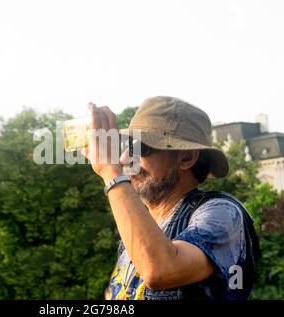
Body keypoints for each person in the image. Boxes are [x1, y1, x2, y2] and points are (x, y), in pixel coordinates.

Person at [83, 96, 260, 300]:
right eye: (127, 146)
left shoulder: (223, 213)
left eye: (140, 147)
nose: (124, 159)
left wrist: (110, 171)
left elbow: (159, 270)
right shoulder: (140, 222)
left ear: (186, 158)